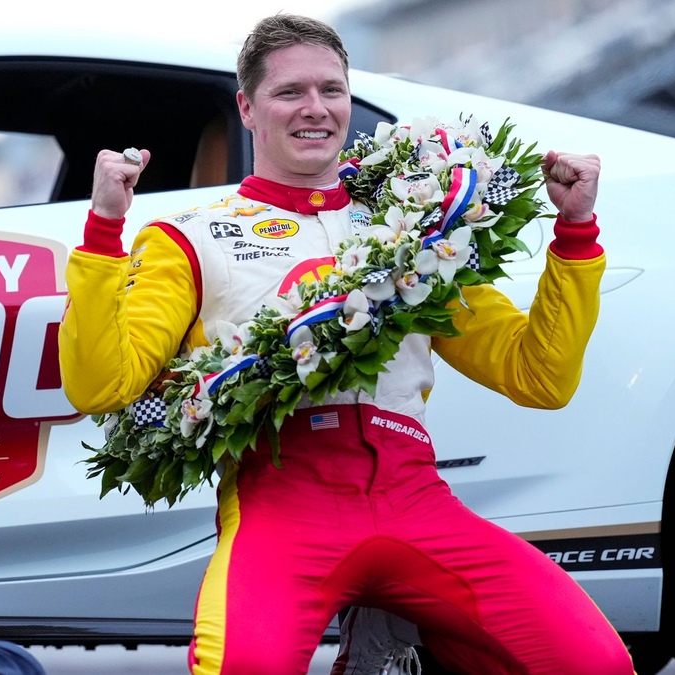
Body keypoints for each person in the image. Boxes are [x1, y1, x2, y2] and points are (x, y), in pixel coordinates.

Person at [59, 14, 633, 675]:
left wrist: (575, 232)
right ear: (247, 107)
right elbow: (102, 384)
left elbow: (541, 376)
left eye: (331, 90)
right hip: (281, 504)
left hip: (414, 496)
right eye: (290, 92)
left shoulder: (418, 228)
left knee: (595, 662)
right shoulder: (194, 237)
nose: (316, 108)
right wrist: (104, 230)